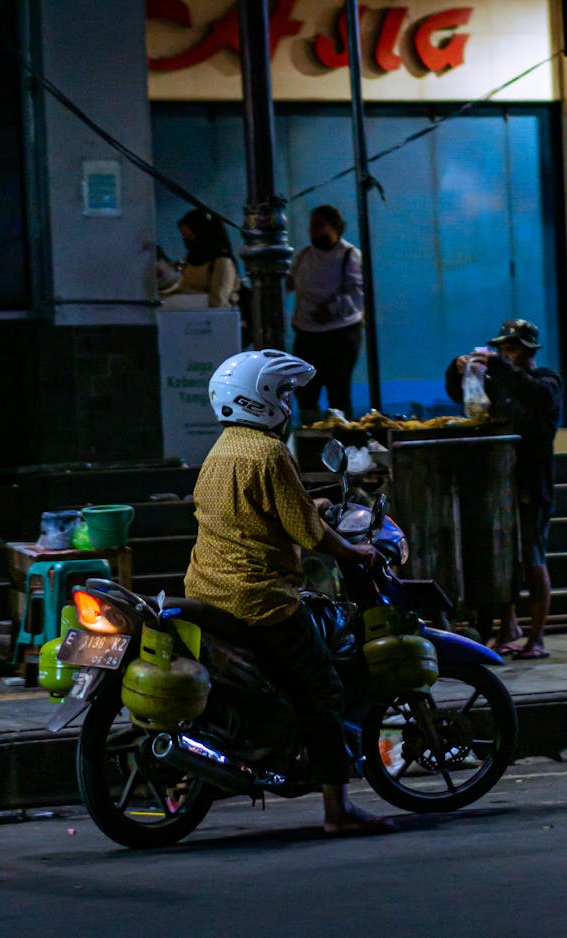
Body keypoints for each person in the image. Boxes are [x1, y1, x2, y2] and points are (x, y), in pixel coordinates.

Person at [184, 348, 395, 835]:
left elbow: (264, 511)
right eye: (284, 394)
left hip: (207, 588)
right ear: (262, 400)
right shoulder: (269, 452)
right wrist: (355, 553)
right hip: (258, 598)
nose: (289, 404)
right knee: (323, 688)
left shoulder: (222, 450)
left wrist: (310, 504)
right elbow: (311, 535)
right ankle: (338, 811)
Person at [445, 319, 563, 660]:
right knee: (503, 558)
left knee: (532, 558)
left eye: (510, 349)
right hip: (499, 485)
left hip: (532, 485)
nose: (504, 355)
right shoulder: (503, 384)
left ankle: (537, 637)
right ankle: (508, 625)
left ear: (527, 350)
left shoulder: (547, 381)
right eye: (501, 349)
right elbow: (463, 395)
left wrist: (498, 367)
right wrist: (457, 370)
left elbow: (536, 395)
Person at [287, 205, 364, 424]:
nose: (313, 231)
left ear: (335, 227)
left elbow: (358, 294)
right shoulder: (304, 255)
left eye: (319, 225)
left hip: (340, 337)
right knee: (305, 392)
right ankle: (311, 441)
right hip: (307, 334)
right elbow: (291, 282)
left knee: (338, 394)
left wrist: (331, 310)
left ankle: (342, 445)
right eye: (311, 225)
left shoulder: (349, 255)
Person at [170, 208, 239, 308]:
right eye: (184, 236)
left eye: (191, 235)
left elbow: (218, 301)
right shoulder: (188, 260)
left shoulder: (222, 262)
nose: (187, 240)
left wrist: (181, 293)